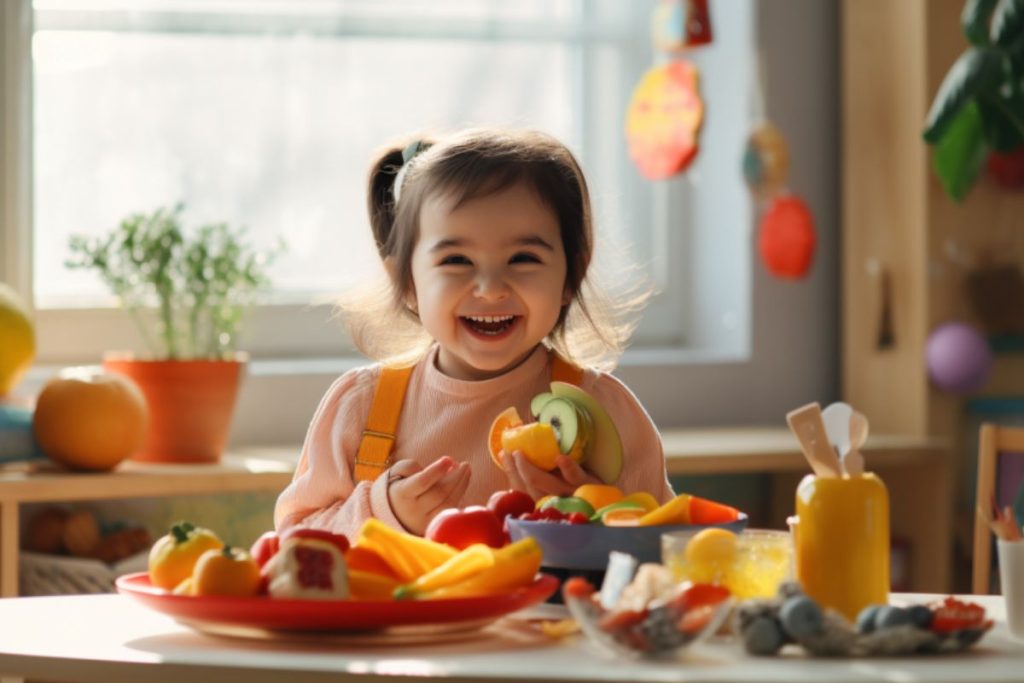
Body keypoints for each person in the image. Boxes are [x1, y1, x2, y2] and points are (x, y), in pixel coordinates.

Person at [275, 128, 673, 538]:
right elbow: (294, 543)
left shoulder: (607, 410)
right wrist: (383, 511)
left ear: (572, 275)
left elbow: (664, 554)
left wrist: (590, 515)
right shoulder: (359, 409)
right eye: (456, 260)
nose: (490, 288)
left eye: (523, 257)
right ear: (407, 282)